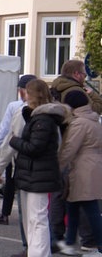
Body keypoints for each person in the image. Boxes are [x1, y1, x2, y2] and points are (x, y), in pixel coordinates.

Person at [9, 79, 70, 257]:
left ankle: (40, 254)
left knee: (38, 219)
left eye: (27, 92)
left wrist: (15, 140)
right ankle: (37, 253)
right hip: (36, 173)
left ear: (33, 95)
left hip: (39, 175)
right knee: (35, 219)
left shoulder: (43, 119)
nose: (24, 95)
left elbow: (35, 148)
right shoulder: (39, 117)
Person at [50, 60, 100, 252]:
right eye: (83, 74)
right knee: (86, 202)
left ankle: (60, 237)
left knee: (65, 198)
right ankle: (90, 240)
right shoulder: (78, 96)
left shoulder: (55, 87)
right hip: (78, 158)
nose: (85, 77)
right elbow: (97, 108)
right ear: (77, 74)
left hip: (62, 145)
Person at [56, 90, 102, 256]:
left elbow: (69, 149)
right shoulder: (94, 119)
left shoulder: (79, 123)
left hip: (82, 169)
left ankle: (100, 246)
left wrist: (58, 167)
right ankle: (69, 243)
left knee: (90, 210)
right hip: (92, 167)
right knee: (73, 206)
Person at [0, 74, 36, 225]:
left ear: (22, 90)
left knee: (10, 182)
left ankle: (5, 213)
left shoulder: (15, 107)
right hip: (34, 155)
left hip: (17, 150)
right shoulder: (48, 108)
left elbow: (6, 131)